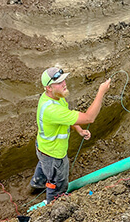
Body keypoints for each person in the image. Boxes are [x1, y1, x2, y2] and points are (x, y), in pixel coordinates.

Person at [30, 67, 111, 203]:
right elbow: (89, 118)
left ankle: (36, 184)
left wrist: (78, 129)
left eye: (64, 80)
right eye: (59, 82)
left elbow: (66, 117)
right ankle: (53, 205)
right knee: (58, 185)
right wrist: (101, 92)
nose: (64, 83)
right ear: (49, 87)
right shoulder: (51, 109)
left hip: (43, 148)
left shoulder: (56, 98)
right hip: (54, 155)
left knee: (44, 166)